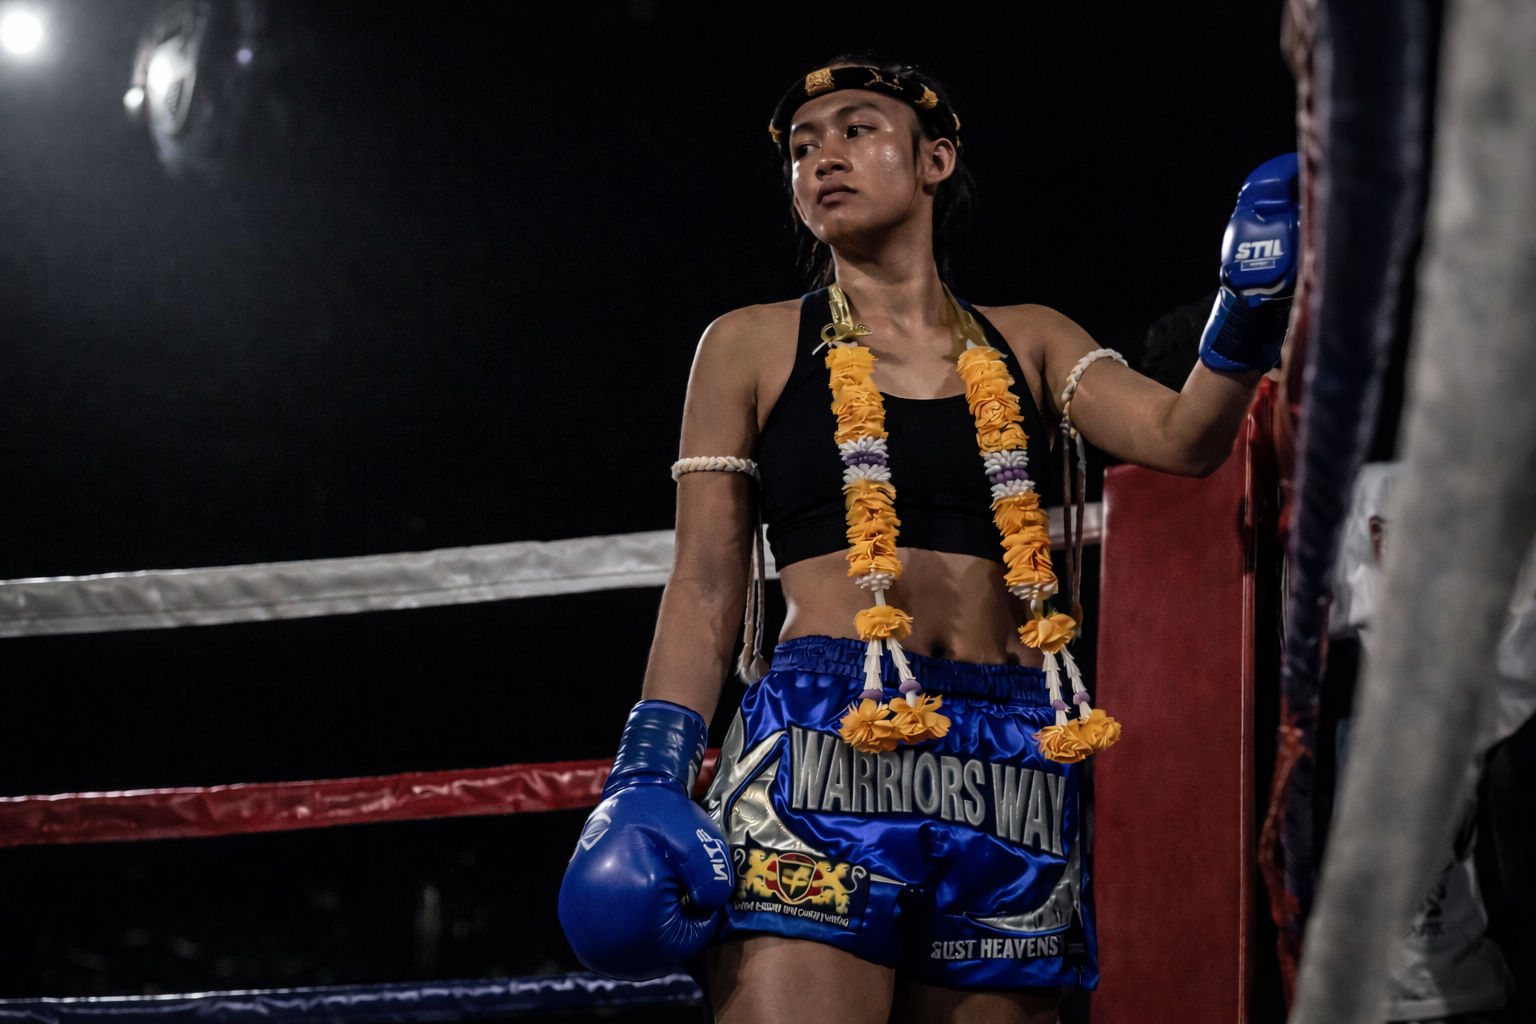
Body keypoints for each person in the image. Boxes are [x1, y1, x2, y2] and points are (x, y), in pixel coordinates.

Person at [558, 58, 1298, 1024]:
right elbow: (705, 585)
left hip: (1005, 760)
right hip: (829, 740)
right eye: (802, 147)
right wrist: (651, 770)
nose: (824, 156)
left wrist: (1244, 312)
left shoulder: (1029, 339)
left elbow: (1185, 438)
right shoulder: (747, 342)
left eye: (857, 130)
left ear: (935, 159)